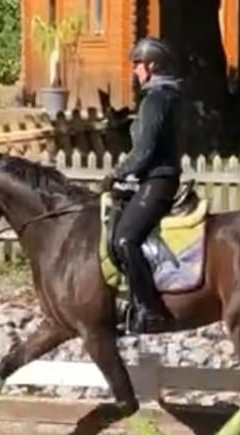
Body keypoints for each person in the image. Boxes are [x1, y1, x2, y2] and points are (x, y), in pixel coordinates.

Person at [101, 36, 183, 335]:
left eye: (137, 64)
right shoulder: (161, 96)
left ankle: (149, 309)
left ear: (152, 66)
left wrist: (117, 173)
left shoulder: (156, 98)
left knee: (125, 239)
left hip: (158, 180)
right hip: (153, 178)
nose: (134, 70)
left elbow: (145, 151)